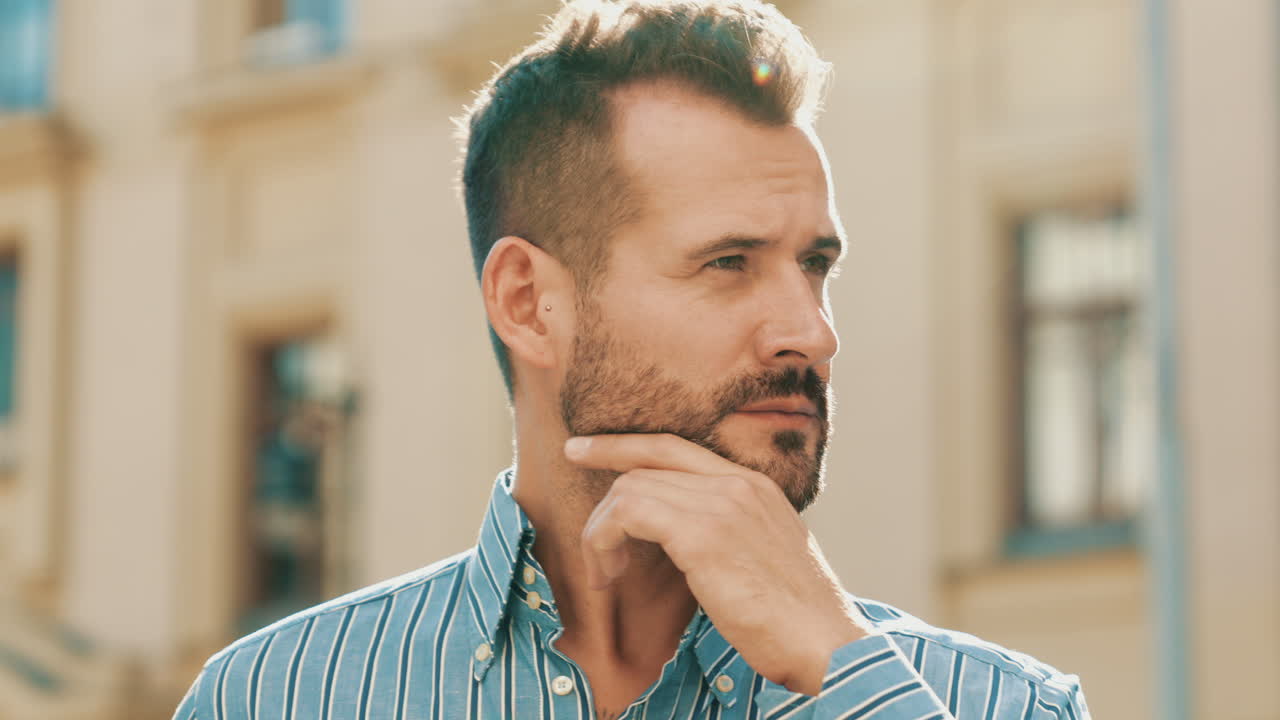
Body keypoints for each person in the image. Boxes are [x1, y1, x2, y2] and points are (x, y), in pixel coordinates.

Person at [174, 1, 1092, 718]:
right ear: (529, 304)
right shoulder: (277, 699)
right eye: (728, 263)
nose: (810, 332)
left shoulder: (1000, 707)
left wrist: (842, 669)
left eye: (814, 266)